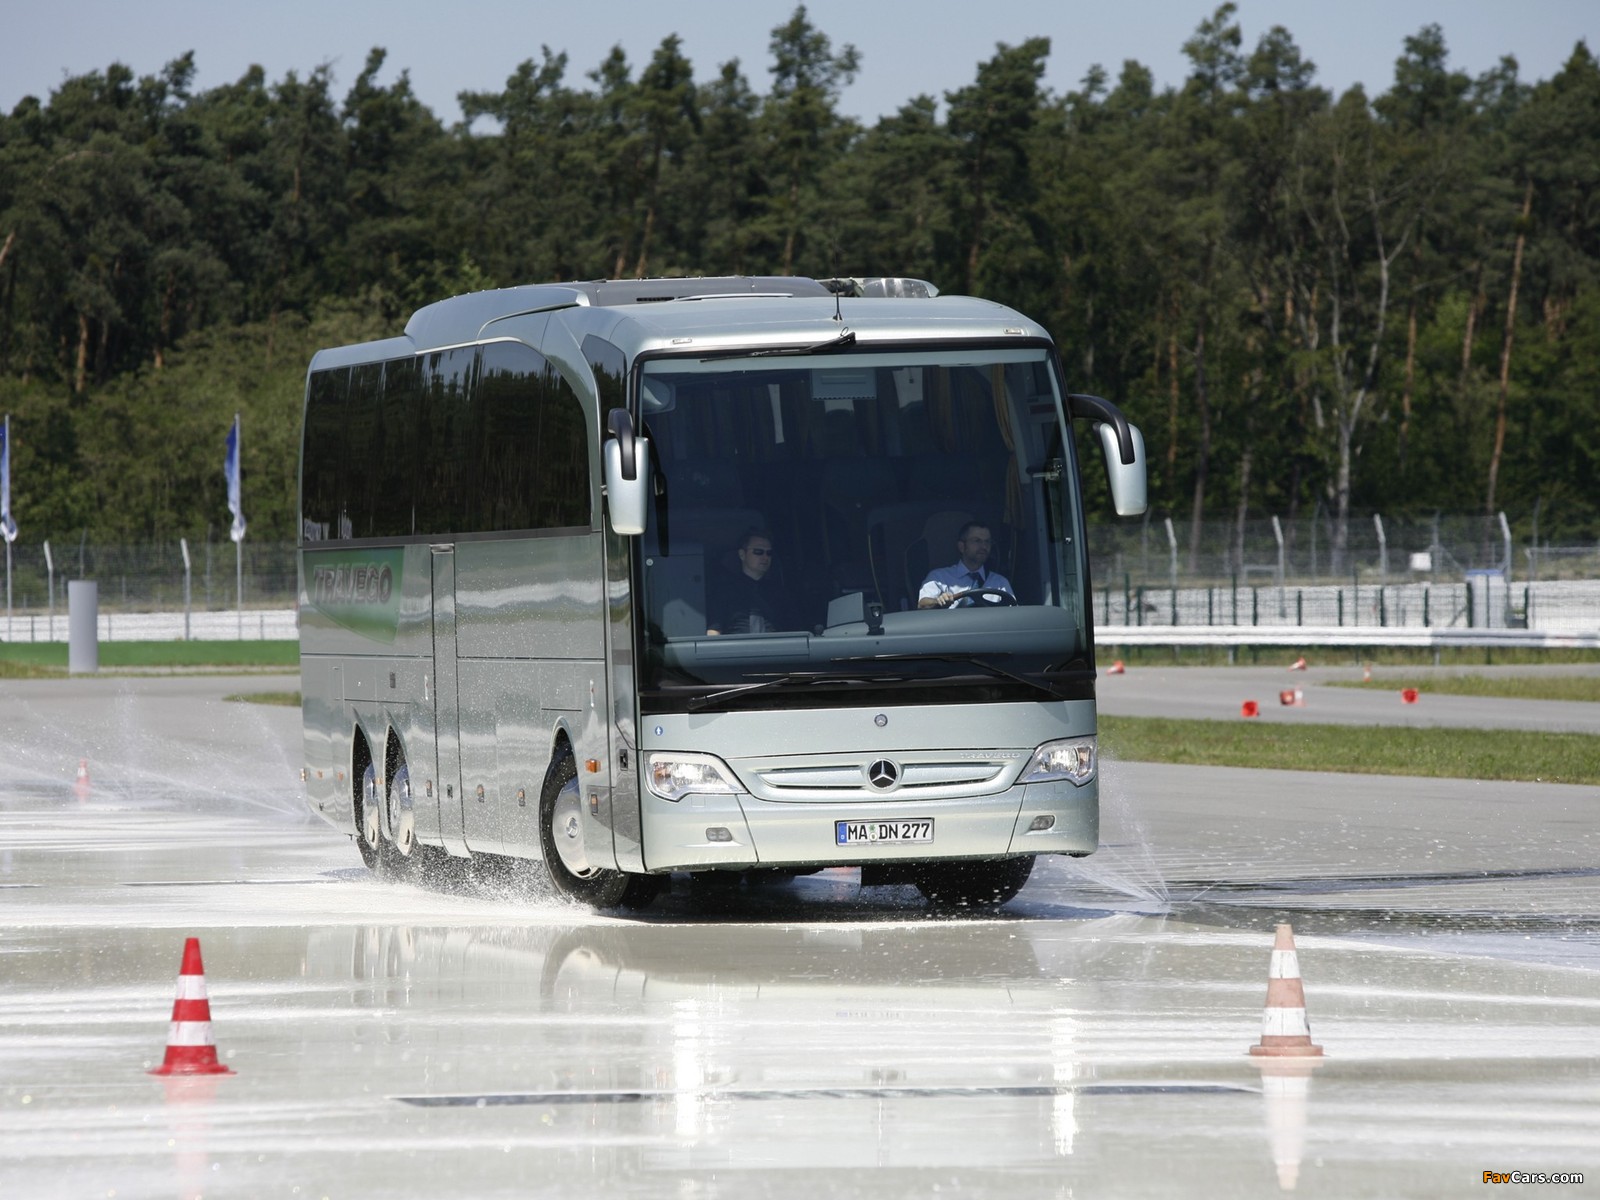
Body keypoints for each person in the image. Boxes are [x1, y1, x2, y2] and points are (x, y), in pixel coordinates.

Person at [707, 528, 796, 634]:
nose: (765, 557)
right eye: (758, 552)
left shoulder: (780, 593)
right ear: (742, 554)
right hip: (737, 644)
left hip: (776, 644)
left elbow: (794, 630)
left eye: (769, 553)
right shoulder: (724, 591)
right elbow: (714, 631)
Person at [918, 521, 1014, 608]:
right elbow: (923, 604)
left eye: (987, 541)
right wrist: (939, 601)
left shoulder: (1000, 583)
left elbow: (1013, 614)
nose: (984, 546)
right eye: (977, 541)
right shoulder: (939, 577)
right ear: (962, 546)